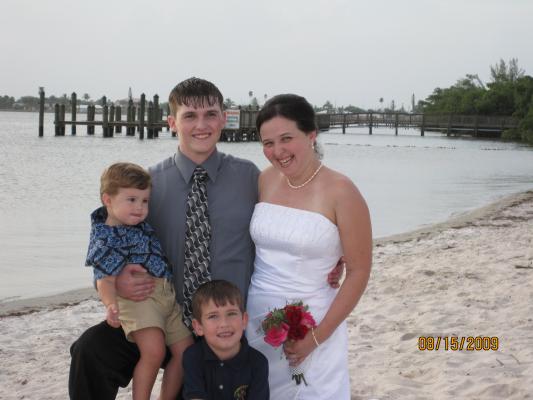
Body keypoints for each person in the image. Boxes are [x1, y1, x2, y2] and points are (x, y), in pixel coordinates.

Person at [69, 78, 342, 400]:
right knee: (90, 350)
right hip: (162, 317)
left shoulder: (251, 178)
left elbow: (293, 217)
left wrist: (330, 254)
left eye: (210, 114)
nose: (201, 125)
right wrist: (114, 281)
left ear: (223, 119)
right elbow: (106, 233)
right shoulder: (148, 185)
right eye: (189, 116)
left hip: (226, 325)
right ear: (172, 122)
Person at [246, 94, 373, 399]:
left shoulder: (342, 191)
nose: (277, 152)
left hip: (313, 323)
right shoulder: (264, 180)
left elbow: (359, 271)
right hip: (255, 319)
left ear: (312, 134)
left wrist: (315, 338)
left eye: (286, 138)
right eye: (268, 143)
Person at [85, 162, 193, 400]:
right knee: (153, 352)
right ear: (108, 200)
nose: (140, 207)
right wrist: (110, 305)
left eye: (145, 201)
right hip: (139, 302)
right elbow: (104, 278)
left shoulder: (137, 225)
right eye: (131, 200)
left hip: (167, 296)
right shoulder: (107, 237)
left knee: (186, 353)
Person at [182, 280, 269, 400]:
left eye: (231, 314)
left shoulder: (258, 363)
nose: (224, 324)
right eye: (213, 316)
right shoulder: (192, 356)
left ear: (244, 320)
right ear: (198, 327)